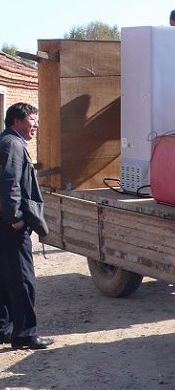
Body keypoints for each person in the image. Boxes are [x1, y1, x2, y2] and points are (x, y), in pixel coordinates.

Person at [0, 103, 52, 350]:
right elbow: (9, 184)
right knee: (22, 279)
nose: (36, 125)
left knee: (5, 278)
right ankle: (25, 335)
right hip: (9, 226)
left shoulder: (7, 141)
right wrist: (15, 219)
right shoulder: (12, 144)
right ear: (16, 121)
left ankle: (4, 328)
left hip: (4, 224)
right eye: (33, 119)